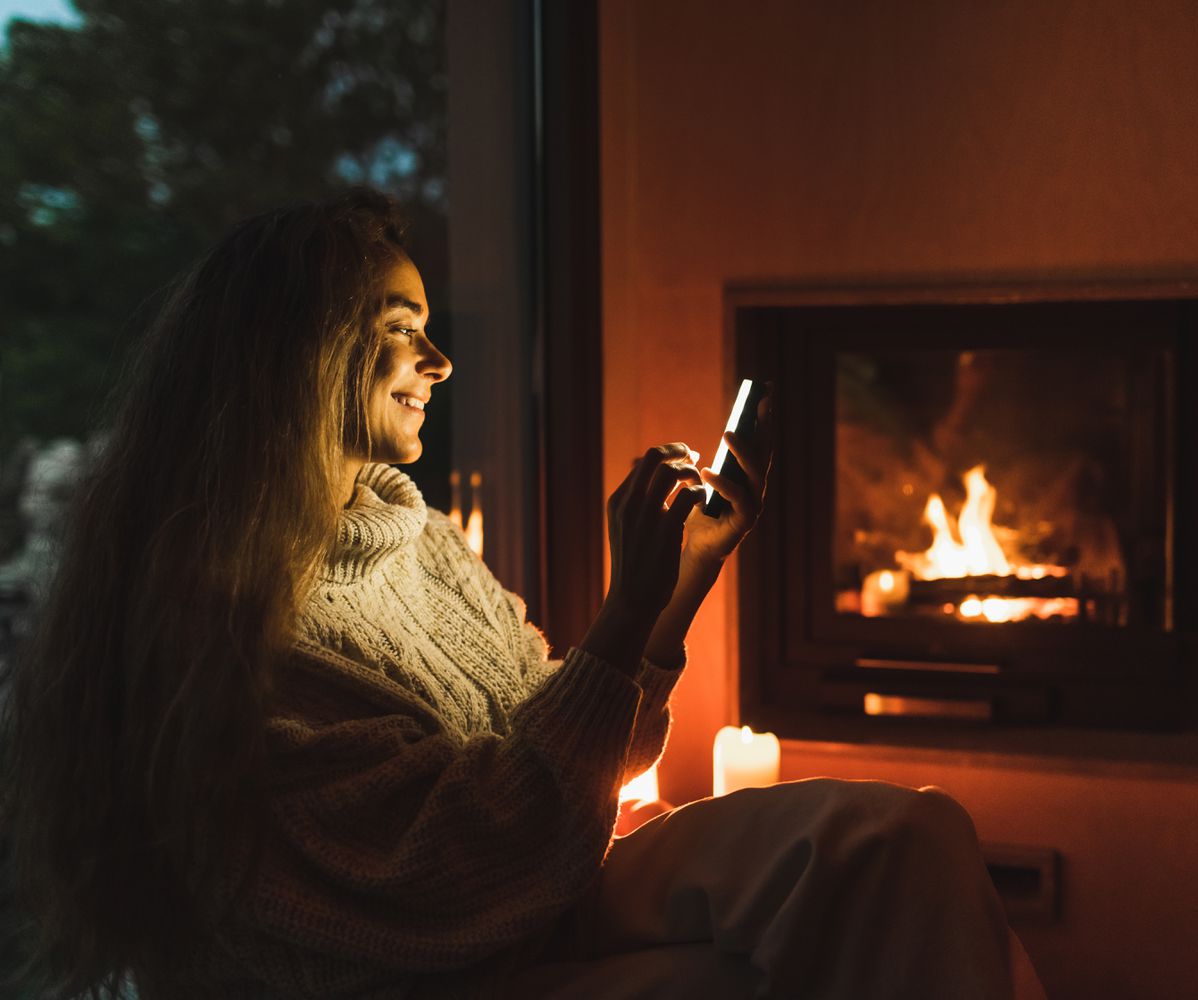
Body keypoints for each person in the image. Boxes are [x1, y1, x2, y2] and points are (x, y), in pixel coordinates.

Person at [2, 191, 1040, 998]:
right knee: (862, 890)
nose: (441, 361)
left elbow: (576, 762)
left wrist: (673, 593)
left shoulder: (412, 537)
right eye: (402, 328)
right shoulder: (231, 624)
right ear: (300, 356)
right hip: (447, 961)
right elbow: (459, 862)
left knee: (911, 837)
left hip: (547, 896)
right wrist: (622, 613)